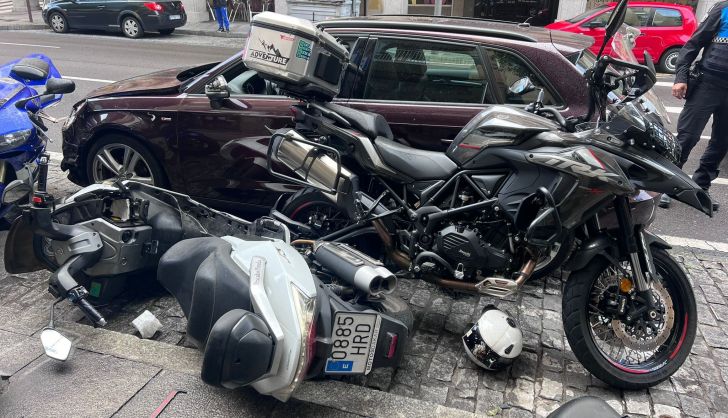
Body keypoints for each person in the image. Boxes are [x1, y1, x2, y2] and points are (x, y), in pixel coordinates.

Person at [660, 1, 728, 211]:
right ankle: (667, 185)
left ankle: (701, 187)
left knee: (721, 143)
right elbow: (693, 43)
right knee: (687, 137)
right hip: (708, 83)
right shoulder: (723, 9)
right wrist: (681, 77)